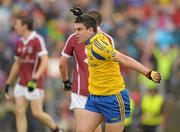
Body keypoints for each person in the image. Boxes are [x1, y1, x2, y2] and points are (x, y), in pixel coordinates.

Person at [72, 13, 161, 132]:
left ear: (90, 30)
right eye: (75, 29)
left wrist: (148, 73)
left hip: (113, 98)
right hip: (94, 98)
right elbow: (96, 26)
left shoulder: (99, 47)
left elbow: (124, 59)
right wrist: (82, 15)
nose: (75, 33)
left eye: (79, 29)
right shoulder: (92, 36)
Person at [3, 15, 63, 132]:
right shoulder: (19, 42)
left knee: (36, 113)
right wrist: (8, 82)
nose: (15, 27)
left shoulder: (37, 39)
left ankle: (56, 129)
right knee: (19, 111)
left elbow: (45, 60)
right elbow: (17, 64)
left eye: (17, 25)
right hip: (22, 82)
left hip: (34, 82)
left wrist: (36, 77)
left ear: (25, 26)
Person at [59, 7, 114, 132]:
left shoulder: (74, 37)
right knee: (95, 128)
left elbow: (62, 63)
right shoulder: (108, 39)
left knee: (82, 127)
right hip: (100, 91)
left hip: (80, 90)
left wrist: (66, 81)